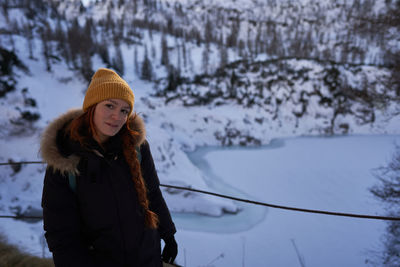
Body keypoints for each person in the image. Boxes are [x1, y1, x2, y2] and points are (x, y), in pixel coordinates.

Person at [40, 68, 178, 267]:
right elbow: (61, 233)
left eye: (124, 110)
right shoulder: (65, 159)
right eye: (110, 106)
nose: (117, 117)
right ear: (92, 107)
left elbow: (152, 194)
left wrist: (168, 233)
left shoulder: (137, 147)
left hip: (147, 258)